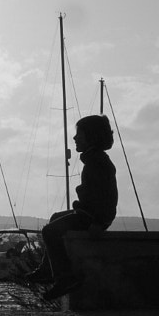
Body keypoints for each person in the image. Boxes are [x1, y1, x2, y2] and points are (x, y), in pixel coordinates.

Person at [39, 114, 117, 300]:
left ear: (91, 136)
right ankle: (47, 270)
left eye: (79, 134)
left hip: (91, 217)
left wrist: (99, 222)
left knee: (50, 231)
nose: (74, 138)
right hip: (86, 213)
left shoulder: (98, 162)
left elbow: (107, 197)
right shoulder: (93, 159)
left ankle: (65, 277)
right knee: (56, 217)